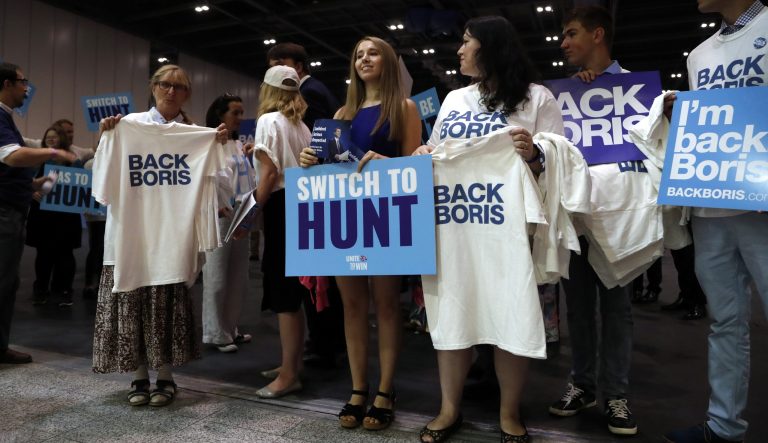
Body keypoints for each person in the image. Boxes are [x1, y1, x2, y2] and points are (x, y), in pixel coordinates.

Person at [410, 16, 563, 443]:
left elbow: (564, 159)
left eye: (466, 42)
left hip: (509, 229)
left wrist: (535, 155)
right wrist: (424, 151)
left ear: (491, 47)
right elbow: (437, 151)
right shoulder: (456, 99)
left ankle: (509, 413)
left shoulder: (537, 99)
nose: (459, 50)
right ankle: (448, 409)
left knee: (512, 314)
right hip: (455, 226)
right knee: (453, 313)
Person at [299, 36, 421, 430]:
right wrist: (309, 161)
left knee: (386, 305)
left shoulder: (404, 108)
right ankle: (358, 387)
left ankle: (385, 389)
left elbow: (415, 166)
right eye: (358, 54)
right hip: (345, 218)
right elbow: (330, 165)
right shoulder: (341, 113)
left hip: (384, 215)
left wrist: (389, 161)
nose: (364, 59)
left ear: (387, 62)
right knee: (351, 306)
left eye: (372, 53)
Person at [91, 64, 228, 407]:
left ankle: (165, 376)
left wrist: (217, 142)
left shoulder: (196, 134)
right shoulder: (125, 126)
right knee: (134, 303)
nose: (171, 91)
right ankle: (139, 375)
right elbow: (103, 183)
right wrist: (106, 135)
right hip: (132, 236)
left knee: (164, 306)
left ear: (187, 94)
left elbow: (216, 182)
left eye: (179, 87)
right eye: (165, 85)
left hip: (171, 237)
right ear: (153, 87)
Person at [664, 1, 768, 442]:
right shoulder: (699, 54)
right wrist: (681, 111)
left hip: (762, 200)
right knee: (725, 320)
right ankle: (724, 426)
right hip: (710, 203)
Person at [549, 6, 640, 436]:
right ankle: (582, 384)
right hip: (576, 214)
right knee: (579, 308)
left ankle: (616, 394)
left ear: (598, 34)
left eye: (571, 34)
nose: (563, 43)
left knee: (618, 309)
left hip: (619, 217)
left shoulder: (635, 91)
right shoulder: (564, 95)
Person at [267, 42, 346, 369]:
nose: (276, 71)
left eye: (281, 63)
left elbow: (319, 143)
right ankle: (322, 345)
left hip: (303, 191)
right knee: (315, 277)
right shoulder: (315, 91)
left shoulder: (307, 93)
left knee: (305, 281)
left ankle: (322, 346)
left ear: (298, 66)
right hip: (312, 191)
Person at [240, 65, 311, 399]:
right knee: (294, 294)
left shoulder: (268, 121)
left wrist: (248, 213)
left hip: (282, 205)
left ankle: (289, 374)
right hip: (302, 205)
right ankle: (290, 365)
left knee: (284, 295)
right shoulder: (302, 126)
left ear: (265, 89)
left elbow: (268, 176)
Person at [0, 62, 78, 364]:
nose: (26, 87)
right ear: (7, 83)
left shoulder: (7, 119)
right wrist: (54, 152)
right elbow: (11, 156)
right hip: (5, 213)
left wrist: (33, 182)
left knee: (7, 282)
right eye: (22, 82)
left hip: (13, 210)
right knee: (2, 281)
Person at [201, 94, 255, 353]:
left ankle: (230, 328)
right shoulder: (209, 142)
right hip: (220, 213)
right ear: (220, 114)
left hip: (242, 213)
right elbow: (205, 178)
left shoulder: (236, 145)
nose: (240, 118)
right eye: (235, 112)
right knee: (217, 276)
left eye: (242, 112)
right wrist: (214, 205)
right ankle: (214, 332)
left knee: (238, 277)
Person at [26, 125, 82, 308]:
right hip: (43, 215)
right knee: (44, 254)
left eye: (54, 137)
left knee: (65, 254)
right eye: (47, 137)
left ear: (62, 140)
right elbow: (28, 181)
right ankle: (41, 290)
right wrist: (32, 192)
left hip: (66, 216)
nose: (50, 140)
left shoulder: (73, 160)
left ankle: (64, 291)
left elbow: (83, 183)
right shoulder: (37, 158)